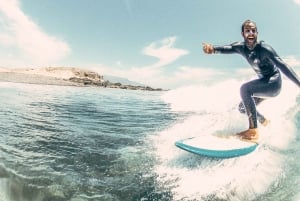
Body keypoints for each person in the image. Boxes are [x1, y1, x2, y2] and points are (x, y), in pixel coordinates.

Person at [202, 19, 300, 141]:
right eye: (247, 30)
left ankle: (253, 132)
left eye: (253, 30)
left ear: (257, 33)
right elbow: (227, 48)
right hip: (263, 84)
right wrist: (213, 49)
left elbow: (283, 66)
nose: (251, 33)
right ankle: (264, 121)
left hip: (274, 84)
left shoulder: (265, 49)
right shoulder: (241, 47)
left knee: (245, 89)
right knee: (243, 108)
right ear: (243, 34)